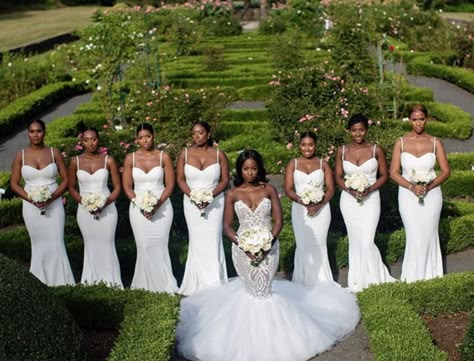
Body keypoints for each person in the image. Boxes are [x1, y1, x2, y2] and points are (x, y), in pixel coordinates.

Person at [176, 150, 360, 361]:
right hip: (242, 249)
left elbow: (278, 221)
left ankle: (275, 341)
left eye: (254, 168)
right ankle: (245, 341)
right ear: (240, 170)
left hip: (269, 247)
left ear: (259, 169)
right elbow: (227, 225)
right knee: (250, 292)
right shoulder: (233, 194)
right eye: (246, 169)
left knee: (264, 292)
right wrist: (243, 244)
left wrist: (267, 243)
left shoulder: (269, 190)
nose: (250, 172)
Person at [10, 119, 75, 286]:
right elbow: (14, 184)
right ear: (28, 133)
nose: (35, 134)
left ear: (44, 132)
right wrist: (31, 198)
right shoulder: (21, 155)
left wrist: (51, 198)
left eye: (38, 131)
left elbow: (66, 180)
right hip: (31, 207)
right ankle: (38, 283)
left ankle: (63, 282)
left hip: (54, 205)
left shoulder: (54, 153)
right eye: (32, 131)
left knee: (56, 240)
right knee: (38, 243)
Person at [390, 104, 450, 282]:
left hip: (431, 195)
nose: (418, 123)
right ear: (409, 120)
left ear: (426, 119)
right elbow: (394, 172)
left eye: (421, 119)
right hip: (408, 195)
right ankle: (412, 277)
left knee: (430, 232)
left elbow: (446, 171)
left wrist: (429, 186)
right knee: (414, 233)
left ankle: (432, 276)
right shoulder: (400, 142)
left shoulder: (435, 142)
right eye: (414, 119)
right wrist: (411, 187)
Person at [335, 114, 395, 292]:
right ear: (349, 131)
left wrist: (369, 189)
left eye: (361, 130)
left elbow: (385, 175)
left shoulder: (376, 149)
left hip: (371, 198)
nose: (358, 134)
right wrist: (349, 189)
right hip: (348, 199)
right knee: (355, 239)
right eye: (354, 130)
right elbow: (337, 176)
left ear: (366, 130)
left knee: (368, 239)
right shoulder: (342, 151)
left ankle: (374, 277)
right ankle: (356, 280)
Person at [122, 123, 178, 293]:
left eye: (148, 136)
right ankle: (144, 285)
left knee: (160, 244)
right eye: (141, 137)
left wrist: (157, 205)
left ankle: (164, 285)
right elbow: (127, 186)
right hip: (138, 208)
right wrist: (139, 204)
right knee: (144, 245)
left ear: (154, 136)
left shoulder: (164, 157)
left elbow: (170, 185)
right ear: (136, 139)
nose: (145, 140)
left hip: (162, 206)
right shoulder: (130, 158)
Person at [176, 121, 229, 295]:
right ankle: (196, 281)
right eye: (194, 133)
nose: (197, 136)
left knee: (213, 239)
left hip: (215, 203)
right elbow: (180, 180)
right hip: (191, 203)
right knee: (197, 240)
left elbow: (225, 181)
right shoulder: (184, 154)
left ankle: (215, 280)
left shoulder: (219, 155)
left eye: (200, 133)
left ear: (208, 133)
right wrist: (193, 196)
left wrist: (210, 196)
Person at [67, 127, 123, 288]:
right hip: (84, 209)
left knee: (107, 243)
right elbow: (71, 187)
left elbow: (117, 187)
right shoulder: (74, 162)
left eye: (94, 139)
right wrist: (85, 203)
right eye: (86, 140)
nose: (90, 143)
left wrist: (105, 203)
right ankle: (91, 282)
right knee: (90, 243)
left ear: (99, 140)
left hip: (108, 208)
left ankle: (112, 282)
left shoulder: (108, 160)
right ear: (81, 142)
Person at [284, 131, 336, 286]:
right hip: (300, 209)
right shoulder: (293, 163)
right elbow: (288, 189)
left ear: (315, 145)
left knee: (319, 243)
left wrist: (319, 205)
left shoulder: (323, 164)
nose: (307, 148)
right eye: (304, 145)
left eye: (310, 145)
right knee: (303, 244)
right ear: (299, 145)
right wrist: (303, 202)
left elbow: (331, 189)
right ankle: (303, 280)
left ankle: (322, 280)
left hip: (322, 210)